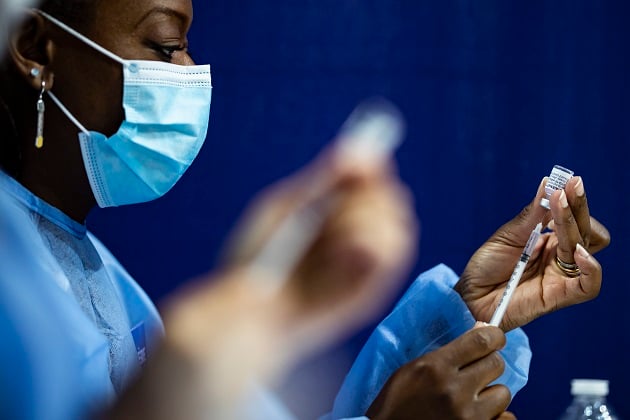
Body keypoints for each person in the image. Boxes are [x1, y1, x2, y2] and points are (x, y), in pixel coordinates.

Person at [0, 0, 609, 419]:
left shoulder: (87, 269)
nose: (190, 74)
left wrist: (468, 317)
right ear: (36, 50)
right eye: (165, 45)